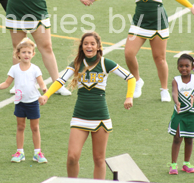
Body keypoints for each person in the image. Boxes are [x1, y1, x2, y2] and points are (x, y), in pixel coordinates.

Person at [87, 0, 194, 102]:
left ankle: (164, 89)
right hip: (139, 22)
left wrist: (190, 6)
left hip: (158, 23)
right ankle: (137, 80)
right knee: (128, 53)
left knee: (159, 58)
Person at [39, 32, 135, 179]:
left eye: (92, 44)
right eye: (85, 44)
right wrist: (47, 95)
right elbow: (60, 80)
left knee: (98, 159)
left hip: (100, 117)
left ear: (98, 47)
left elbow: (130, 78)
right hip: (80, 116)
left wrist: (129, 97)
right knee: (72, 157)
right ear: (82, 47)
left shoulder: (105, 63)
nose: (89, 46)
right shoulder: (77, 64)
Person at [0, 38, 48, 163]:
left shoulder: (35, 69)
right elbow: (7, 83)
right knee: (20, 127)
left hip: (33, 102)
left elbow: (41, 83)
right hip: (20, 103)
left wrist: (44, 90)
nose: (26, 55)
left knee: (35, 128)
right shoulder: (14, 69)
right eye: (23, 52)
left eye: (29, 52)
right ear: (18, 54)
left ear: (33, 54)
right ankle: (20, 152)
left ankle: (37, 153)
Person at [168, 54, 194, 175]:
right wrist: (177, 102)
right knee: (177, 138)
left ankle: (186, 163)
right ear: (177, 67)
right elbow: (174, 93)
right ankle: (173, 164)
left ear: (192, 66)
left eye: (187, 66)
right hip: (180, 113)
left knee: (189, 139)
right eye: (181, 66)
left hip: (192, 114)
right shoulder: (175, 80)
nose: (184, 68)